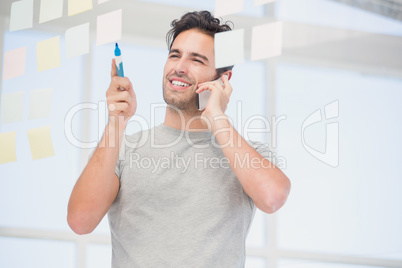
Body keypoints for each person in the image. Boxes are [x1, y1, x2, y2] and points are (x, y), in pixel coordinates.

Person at [67, 10, 291, 267]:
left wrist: (217, 117)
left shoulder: (249, 154)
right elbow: (80, 221)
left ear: (223, 79)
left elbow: (273, 198)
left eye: (197, 60)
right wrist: (116, 123)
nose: (179, 67)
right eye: (175, 55)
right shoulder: (124, 149)